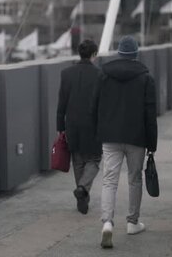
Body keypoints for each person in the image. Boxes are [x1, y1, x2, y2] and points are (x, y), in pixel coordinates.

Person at [91, 36, 158, 249]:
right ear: (136, 54)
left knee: (109, 180)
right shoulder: (146, 78)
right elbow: (150, 114)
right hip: (137, 137)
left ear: (119, 52)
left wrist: (98, 132)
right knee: (134, 179)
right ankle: (132, 222)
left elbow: (94, 107)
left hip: (110, 136)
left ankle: (108, 223)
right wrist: (152, 144)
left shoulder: (103, 75)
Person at [56, 39, 103, 215]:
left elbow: (62, 103)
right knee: (94, 159)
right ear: (94, 55)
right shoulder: (100, 74)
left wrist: (60, 126)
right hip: (93, 124)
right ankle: (82, 188)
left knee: (77, 160)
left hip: (72, 124)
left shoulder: (66, 73)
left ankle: (82, 196)